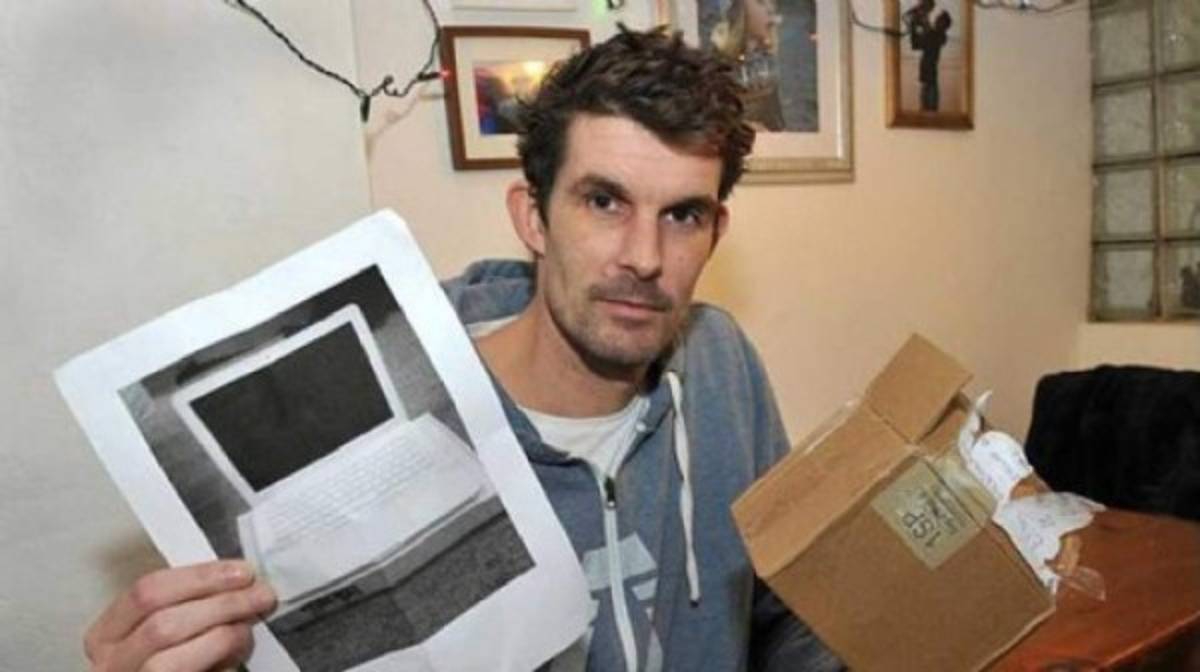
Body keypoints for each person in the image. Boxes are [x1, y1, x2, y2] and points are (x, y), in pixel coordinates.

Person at [82, 26, 843, 672]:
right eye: (603, 201)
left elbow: (787, 611)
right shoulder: (411, 407)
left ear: (716, 232)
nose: (645, 257)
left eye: (682, 215)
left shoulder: (720, 362)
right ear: (533, 218)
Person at [710, 0, 786, 131]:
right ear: (740, 7)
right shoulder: (717, 64)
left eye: (772, 3)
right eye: (761, 2)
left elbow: (777, 122)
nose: (770, 10)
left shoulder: (768, 61)